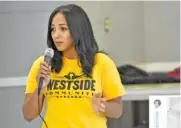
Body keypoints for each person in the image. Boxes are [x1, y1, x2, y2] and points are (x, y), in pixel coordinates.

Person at [22, 4, 126, 128]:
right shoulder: (43, 65)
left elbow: (117, 110)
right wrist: (39, 88)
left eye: (63, 29)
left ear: (78, 30)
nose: (56, 35)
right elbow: (28, 115)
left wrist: (103, 106)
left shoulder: (102, 62)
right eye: (53, 29)